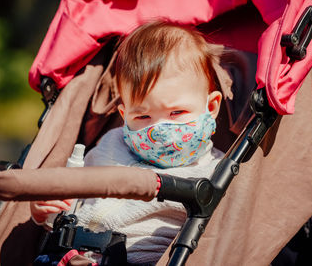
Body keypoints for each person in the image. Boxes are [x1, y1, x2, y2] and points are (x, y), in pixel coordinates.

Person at [30, 21, 225, 265]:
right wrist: (46, 213)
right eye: (143, 116)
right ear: (124, 116)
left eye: (177, 113)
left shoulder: (216, 171)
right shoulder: (111, 145)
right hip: (70, 255)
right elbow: (73, 201)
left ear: (211, 107)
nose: (159, 129)